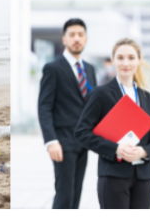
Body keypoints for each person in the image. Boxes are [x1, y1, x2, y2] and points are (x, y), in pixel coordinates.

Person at [74, 38, 150, 209]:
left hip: (143, 178)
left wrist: (143, 151)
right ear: (113, 60)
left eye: (131, 58)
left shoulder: (147, 98)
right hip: (113, 176)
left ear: (139, 60)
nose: (126, 63)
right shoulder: (100, 94)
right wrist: (115, 148)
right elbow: (82, 132)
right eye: (120, 57)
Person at [38, 18, 96, 209]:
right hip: (62, 143)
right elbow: (44, 106)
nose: (76, 39)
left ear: (86, 39)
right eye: (72, 35)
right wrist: (50, 140)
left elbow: (94, 106)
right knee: (64, 196)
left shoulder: (90, 69)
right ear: (64, 39)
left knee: (76, 196)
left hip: (83, 142)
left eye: (80, 34)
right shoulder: (53, 68)